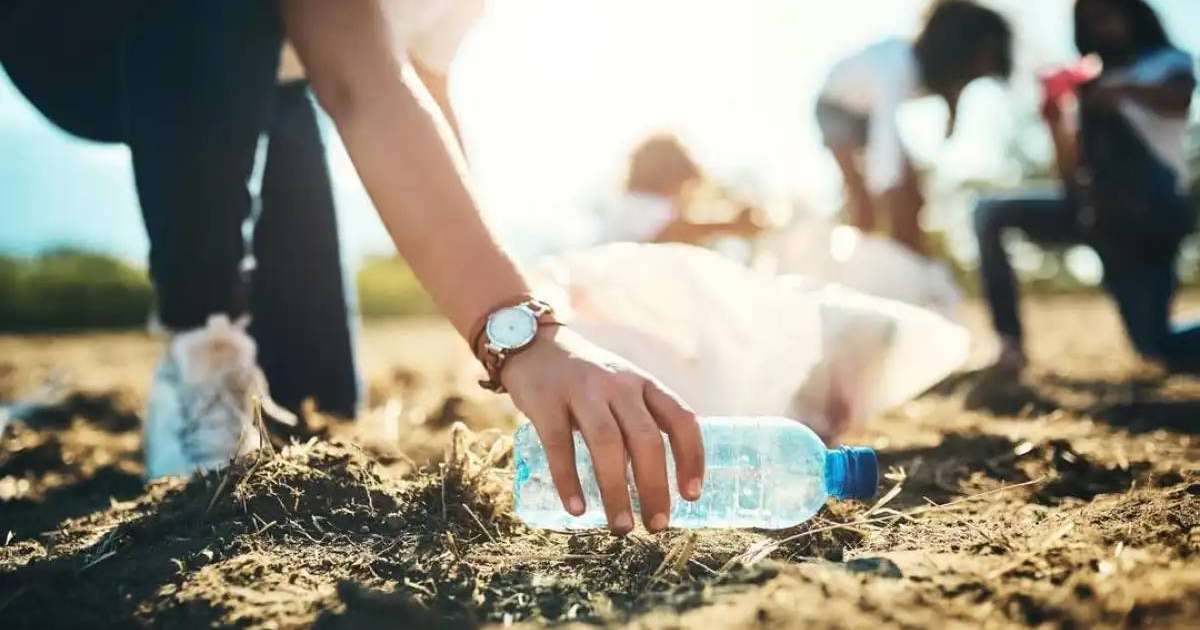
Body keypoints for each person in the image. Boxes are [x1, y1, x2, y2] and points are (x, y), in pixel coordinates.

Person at [0, 0, 705, 536]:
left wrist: (529, 295)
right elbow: (360, 85)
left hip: (267, 77)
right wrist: (520, 335)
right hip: (83, 36)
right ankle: (199, 342)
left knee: (318, 403)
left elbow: (421, 103)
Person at [974, 0, 1197, 372]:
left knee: (1156, 347)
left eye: (1108, 13)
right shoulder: (1086, 84)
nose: (1101, 25)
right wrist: (1055, 121)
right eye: (1090, 19)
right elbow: (1070, 172)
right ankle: (1010, 344)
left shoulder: (1166, 63)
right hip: (1093, 213)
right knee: (990, 213)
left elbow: (1178, 99)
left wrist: (1119, 91)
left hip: (1146, 221)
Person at [816, 0, 1013, 255]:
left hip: (867, 113)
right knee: (866, 200)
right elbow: (885, 148)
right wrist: (888, 193)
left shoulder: (939, 75)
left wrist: (953, 116)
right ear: (954, 54)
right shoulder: (893, 68)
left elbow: (953, 91)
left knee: (915, 197)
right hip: (835, 107)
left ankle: (912, 259)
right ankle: (869, 262)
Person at [606, 135, 762, 245]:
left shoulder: (651, 207)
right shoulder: (639, 205)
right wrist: (727, 226)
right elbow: (668, 234)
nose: (687, 194)